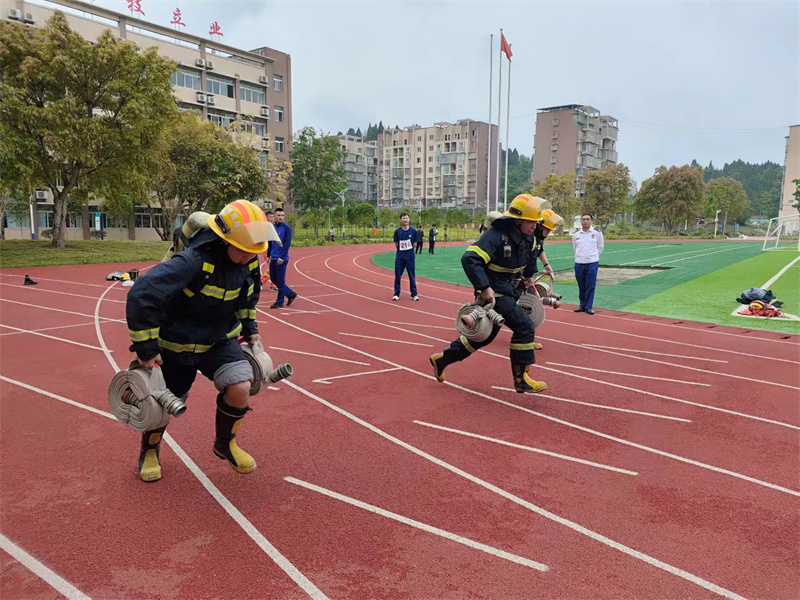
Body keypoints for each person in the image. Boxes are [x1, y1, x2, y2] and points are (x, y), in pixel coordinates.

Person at [126, 200, 275, 482]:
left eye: (253, 250)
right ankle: (150, 449)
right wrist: (146, 350)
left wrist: (251, 330)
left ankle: (225, 443)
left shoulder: (249, 263)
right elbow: (141, 295)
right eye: (243, 249)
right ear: (224, 239)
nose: (249, 256)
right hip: (176, 345)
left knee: (241, 385)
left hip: (218, 341)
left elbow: (248, 299)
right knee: (161, 407)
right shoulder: (193, 261)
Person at [429, 194, 550, 394]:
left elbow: (530, 257)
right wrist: (484, 287)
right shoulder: (496, 235)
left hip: (511, 290)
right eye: (531, 221)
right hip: (494, 291)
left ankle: (442, 360)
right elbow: (470, 259)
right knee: (524, 325)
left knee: (483, 337)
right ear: (518, 220)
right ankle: (521, 379)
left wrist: (529, 277)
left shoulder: (529, 236)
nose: (535, 225)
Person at [527, 208, 563, 350]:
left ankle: (526, 338)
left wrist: (546, 264)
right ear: (540, 225)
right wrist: (527, 276)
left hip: (526, 278)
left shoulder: (538, 239)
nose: (548, 232)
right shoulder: (528, 238)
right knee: (527, 308)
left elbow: (539, 250)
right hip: (520, 278)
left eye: (550, 230)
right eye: (546, 229)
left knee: (529, 309)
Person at [573, 213, 604, 315]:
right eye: (583, 219)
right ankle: (582, 305)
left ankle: (589, 307)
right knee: (581, 285)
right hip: (579, 263)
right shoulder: (576, 234)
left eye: (587, 219)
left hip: (592, 263)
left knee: (590, 285)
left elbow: (600, 247)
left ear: (591, 221)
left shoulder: (597, 233)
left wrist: (594, 257)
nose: (585, 221)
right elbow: (575, 248)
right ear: (581, 221)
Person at [269, 207, 298, 309]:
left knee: (280, 281)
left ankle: (279, 302)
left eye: (282, 215)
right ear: (274, 216)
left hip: (281, 259)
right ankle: (290, 294)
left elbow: (287, 244)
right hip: (273, 257)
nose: (280, 217)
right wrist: (268, 255)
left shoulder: (287, 228)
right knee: (273, 278)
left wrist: (282, 257)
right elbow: (270, 241)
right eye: (278, 215)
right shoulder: (272, 227)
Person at [392, 212, 419, 301]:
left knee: (412, 276)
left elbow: (414, 244)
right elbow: (396, 244)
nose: (405, 220)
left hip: (410, 257)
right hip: (400, 257)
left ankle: (414, 294)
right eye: (403, 218)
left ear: (409, 219)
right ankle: (396, 294)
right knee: (398, 276)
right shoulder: (397, 232)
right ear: (400, 220)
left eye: (406, 218)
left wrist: (408, 250)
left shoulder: (413, 231)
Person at [265, 210, 278, 292]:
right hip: (266, 248)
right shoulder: (265, 227)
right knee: (272, 267)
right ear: (266, 217)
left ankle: (272, 284)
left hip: (272, 248)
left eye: (273, 217)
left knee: (273, 267)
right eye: (270, 217)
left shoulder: (273, 226)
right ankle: (261, 281)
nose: (272, 219)